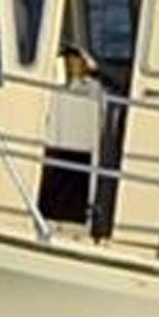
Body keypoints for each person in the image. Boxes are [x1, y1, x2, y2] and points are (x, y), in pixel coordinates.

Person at [38, 43, 105, 227]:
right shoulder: (57, 87)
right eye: (67, 57)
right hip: (59, 142)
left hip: (82, 143)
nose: (70, 62)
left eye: (75, 58)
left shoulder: (94, 89)